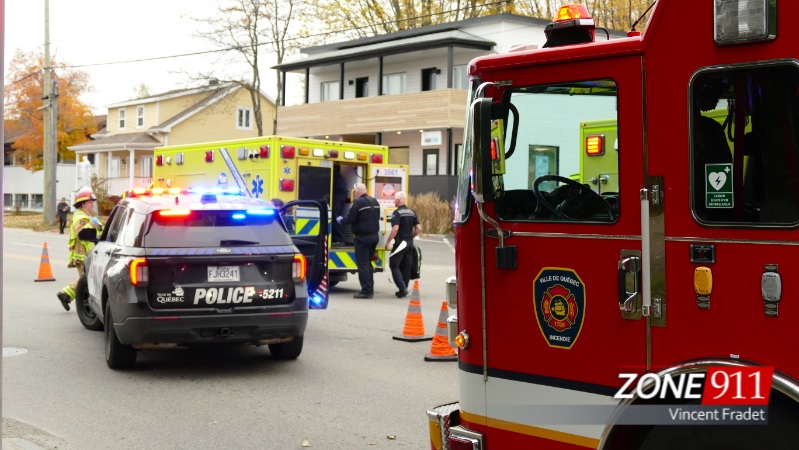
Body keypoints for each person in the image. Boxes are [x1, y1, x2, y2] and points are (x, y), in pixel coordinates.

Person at [56, 187, 103, 311]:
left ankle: (66, 295)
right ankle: (87, 306)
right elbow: (82, 234)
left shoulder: (90, 215)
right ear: (82, 204)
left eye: (92, 201)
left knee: (87, 279)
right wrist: (92, 224)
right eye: (89, 202)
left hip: (90, 254)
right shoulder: (80, 217)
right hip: (82, 255)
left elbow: (100, 231)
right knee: (88, 281)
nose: (92, 204)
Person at [337, 183, 380, 298]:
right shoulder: (374, 201)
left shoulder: (357, 202)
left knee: (363, 264)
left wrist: (341, 220)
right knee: (368, 264)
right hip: (374, 237)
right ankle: (370, 289)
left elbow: (351, 218)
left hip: (362, 238)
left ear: (356, 192)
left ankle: (366, 291)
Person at [385, 191, 421, 298]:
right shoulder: (412, 212)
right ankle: (404, 288)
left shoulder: (397, 213)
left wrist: (388, 242)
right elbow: (419, 228)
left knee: (394, 264)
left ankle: (402, 288)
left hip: (401, 243)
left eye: (395, 200)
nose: (394, 201)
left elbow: (395, 229)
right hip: (410, 242)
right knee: (406, 265)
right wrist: (413, 235)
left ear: (398, 200)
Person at [331, 165, 349, 245]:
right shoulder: (338, 175)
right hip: (340, 196)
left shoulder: (334, 173)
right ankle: (337, 238)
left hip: (338, 196)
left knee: (335, 216)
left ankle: (340, 239)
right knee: (335, 216)